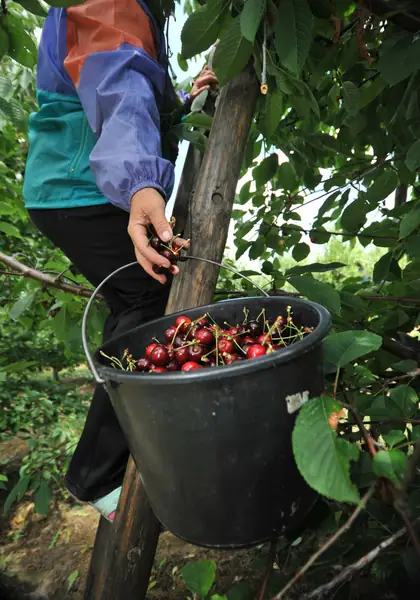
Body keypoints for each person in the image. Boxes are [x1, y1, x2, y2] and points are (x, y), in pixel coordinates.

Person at [23, 0, 218, 521]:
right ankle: (97, 473)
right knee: (150, 296)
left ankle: (119, 454)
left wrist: (181, 102)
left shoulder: (124, 10)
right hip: (79, 190)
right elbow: (117, 83)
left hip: (70, 188)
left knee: (137, 303)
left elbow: (132, 92)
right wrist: (139, 183)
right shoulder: (109, 1)